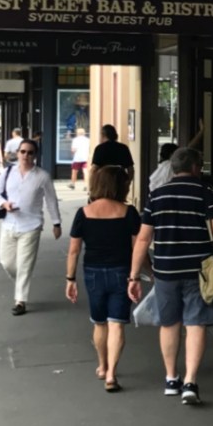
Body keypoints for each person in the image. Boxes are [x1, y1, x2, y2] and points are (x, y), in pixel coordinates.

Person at [126, 147, 213, 405]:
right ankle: (191, 381)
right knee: (196, 323)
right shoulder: (207, 193)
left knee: (169, 323)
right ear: (195, 168)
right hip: (198, 269)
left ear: (172, 168)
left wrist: (134, 276)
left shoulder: (157, 195)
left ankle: (171, 378)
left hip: (166, 270)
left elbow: (144, 238)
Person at [65, 166, 142, 392]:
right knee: (116, 324)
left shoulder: (84, 212)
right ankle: (111, 375)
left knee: (99, 322)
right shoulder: (129, 212)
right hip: (122, 271)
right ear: (121, 186)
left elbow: (74, 250)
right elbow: (139, 246)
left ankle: (102, 365)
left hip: (93, 272)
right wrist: (143, 273)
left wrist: (70, 279)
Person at [0, 138, 62, 315]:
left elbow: (51, 201)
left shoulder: (42, 176)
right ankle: (21, 281)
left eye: (30, 152)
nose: (25, 155)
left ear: (35, 155)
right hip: (9, 224)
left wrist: (56, 223)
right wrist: (3, 204)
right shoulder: (8, 172)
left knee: (24, 265)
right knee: (6, 262)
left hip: (31, 226)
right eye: (23, 151)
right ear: (17, 153)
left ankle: (20, 300)